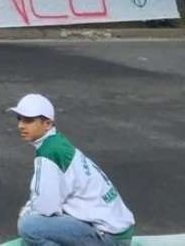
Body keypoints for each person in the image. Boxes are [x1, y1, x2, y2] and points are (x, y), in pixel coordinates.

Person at [9, 93, 135, 245]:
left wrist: (26, 211)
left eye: (28, 120)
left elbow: (45, 208)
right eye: (19, 119)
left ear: (47, 124)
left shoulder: (49, 153)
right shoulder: (59, 144)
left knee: (29, 226)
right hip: (117, 232)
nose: (21, 125)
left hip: (108, 238)